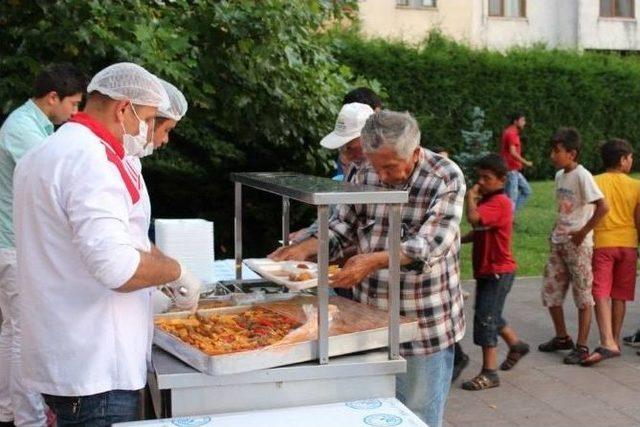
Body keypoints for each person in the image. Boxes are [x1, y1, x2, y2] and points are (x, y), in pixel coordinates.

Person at [13, 63, 202, 426]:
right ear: (123, 109)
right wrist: (176, 272)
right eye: (147, 119)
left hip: (67, 353)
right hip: (95, 368)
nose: (148, 130)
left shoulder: (47, 152)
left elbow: (123, 240)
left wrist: (158, 281)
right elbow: (117, 267)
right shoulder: (90, 160)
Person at [270, 110, 466, 427]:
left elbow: (432, 243)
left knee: (418, 414)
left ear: (415, 152)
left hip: (423, 321)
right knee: (369, 412)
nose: (383, 176)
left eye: (390, 167)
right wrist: (306, 246)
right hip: (368, 320)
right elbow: (342, 225)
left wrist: (371, 260)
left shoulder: (444, 176)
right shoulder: (362, 170)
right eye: (377, 167)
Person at [0, 63, 85, 427]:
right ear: (53, 97)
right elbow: (56, 179)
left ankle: (8, 409)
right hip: (15, 246)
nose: (76, 113)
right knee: (23, 333)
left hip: (16, 244)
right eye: (74, 104)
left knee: (13, 330)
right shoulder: (21, 127)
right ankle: (28, 418)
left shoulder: (38, 125)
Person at [538, 127, 608, 365]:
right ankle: (561, 337)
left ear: (572, 153)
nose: (552, 155)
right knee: (551, 292)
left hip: (578, 244)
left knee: (583, 295)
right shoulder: (560, 175)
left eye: (557, 151)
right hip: (559, 240)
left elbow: (603, 207)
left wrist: (583, 232)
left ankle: (582, 345)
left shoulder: (583, 175)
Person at [460, 154, 529, 390]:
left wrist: (470, 197)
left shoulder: (499, 203)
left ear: (501, 179)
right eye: (478, 177)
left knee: (486, 318)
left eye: (486, 178)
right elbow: (480, 230)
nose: (480, 183)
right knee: (489, 312)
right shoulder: (491, 200)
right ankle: (516, 344)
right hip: (488, 270)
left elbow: (474, 220)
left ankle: (490, 373)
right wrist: (457, 240)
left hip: (498, 271)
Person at [582, 139, 640, 366]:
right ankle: (614, 338)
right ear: (623, 159)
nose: (632, 161)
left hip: (602, 244)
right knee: (620, 295)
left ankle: (608, 341)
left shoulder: (594, 182)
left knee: (601, 292)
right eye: (630, 157)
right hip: (628, 245)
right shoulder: (636, 186)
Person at [288, 102, 374, 243]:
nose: (347, 154)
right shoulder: (352, 173)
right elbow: (342, 224)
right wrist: (307, 243)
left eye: (351, 147)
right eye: (343, 148)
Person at [499, 112, 533, 213]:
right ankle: (508, 220)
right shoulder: (511, 133)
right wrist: (525, 162)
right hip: (511, 171)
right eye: (522, 120)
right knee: (511, 199)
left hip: (514, 171)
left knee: (527, 191)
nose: (524, 123)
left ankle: (509, 216)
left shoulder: (509, 132)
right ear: (515, 121)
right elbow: (513, 152)